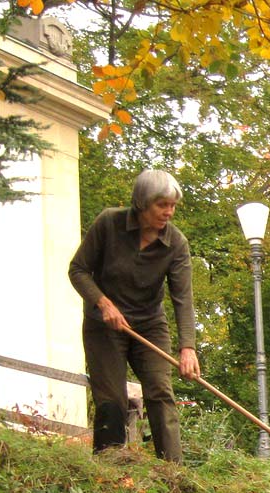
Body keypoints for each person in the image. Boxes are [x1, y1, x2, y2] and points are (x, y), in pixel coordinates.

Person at [68, 169, 199, 463]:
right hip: (104, 326)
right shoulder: (108, 224)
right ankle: (108, 468)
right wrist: (103, 303)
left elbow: (183, 299)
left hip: (149, 325)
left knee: (160, 392)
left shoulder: (176, 244)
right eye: (162, 205)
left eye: (173, 205)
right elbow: (77, 270)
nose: (169, 212)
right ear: (142, 202)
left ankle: (173, 473)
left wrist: (187, 348)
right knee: (112, 399)